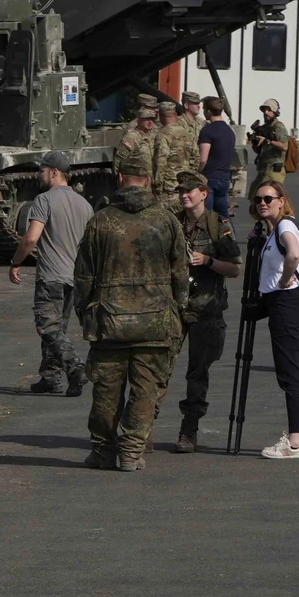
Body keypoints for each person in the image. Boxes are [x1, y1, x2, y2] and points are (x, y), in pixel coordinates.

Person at [74, 143, 187, 472]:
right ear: (149, 180)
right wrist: (176, 311)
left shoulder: (101, 221)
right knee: (145, 388)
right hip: (155, 321)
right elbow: (181, 272)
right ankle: (132, 451)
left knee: (106, 390)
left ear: (120, 177)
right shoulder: (166, 221)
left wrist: (86, 312)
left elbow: (83, 275)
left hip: (109, 321)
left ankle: (103, 450)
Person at [165, 171, 242, 453]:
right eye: (180, 191)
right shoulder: (171, 223)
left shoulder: (217, 225)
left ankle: (189, 430)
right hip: (173, 306)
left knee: (197, 372)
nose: (184, 195)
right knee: (158, 367)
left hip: (205, 308)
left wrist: (208, 260)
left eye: (189, 190)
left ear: (203, 193)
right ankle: (143, 427)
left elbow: (234, 268)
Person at [7, 151, 93, 396]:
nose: (38, 175)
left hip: (51, 277)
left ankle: (74, 367)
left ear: (54, 172)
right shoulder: (84, 204)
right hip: (74, 278)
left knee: (48, 327)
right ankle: (50, 377)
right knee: (58, 328)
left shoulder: (44, 200)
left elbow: (31, 238)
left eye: (42, 170)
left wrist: (15, 262)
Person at [250, 181, 299, 459]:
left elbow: (294, 254)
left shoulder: (285, 226)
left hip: (287, 302)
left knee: (289, 373)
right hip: (278, 303)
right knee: (287, 371)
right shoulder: (274, 231)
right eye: (259, 198)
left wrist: (285, 279)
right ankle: (296, 438)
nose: (263, 202)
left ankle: (295, 442)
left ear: (282, 200)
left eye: (269, 198)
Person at [196, 96, 238, 221]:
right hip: (224, 178)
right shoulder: (229, 131)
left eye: (204, 109)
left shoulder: (207, 131)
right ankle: (230, 238)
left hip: (210, 178)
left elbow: (203, 159)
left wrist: (197, 172)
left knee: (206, 215)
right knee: (223, 215)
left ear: (208, 111)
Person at [154, 101, 199, 203]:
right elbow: (196, 159)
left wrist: (157, 187)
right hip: (185, 188)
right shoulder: (188, 133)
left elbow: (160, 163)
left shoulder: (163, 135)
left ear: (160, 116)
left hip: (168, 190)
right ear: (175, 115)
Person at [248, 99, 292, 187]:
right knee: (253, 194)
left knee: (269, 196)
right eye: (264, 110)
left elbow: (284, 147)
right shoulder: (264, 128)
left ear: (275, 111)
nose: (266, 112)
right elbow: (258, 150)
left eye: (269, 110)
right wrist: (255, 142)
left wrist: (267, 141)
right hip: (264, 168)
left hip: (274, 170)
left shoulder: (278, 127)